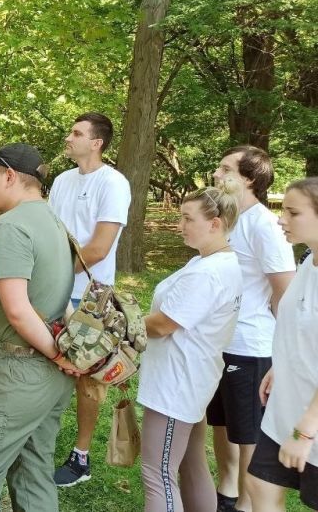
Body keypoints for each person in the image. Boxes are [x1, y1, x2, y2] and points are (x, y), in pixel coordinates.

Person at [0, 143, 81, 512]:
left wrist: (58, 355)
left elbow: (19, 311)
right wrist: (60, 357)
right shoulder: (55, 222)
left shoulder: (11, 227)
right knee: (34, 472)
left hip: (10, 378)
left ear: (9, 176)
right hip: (48, 378)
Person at [137, 181, 243, 512]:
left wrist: (123, 321)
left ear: (215, 224)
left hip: (176, 385)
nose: (178, 225)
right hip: (190, 378)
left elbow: (164, 324)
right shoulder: (211, 261)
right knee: (191, 463)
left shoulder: (209, 272)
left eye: (187, 219)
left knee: (157, 474)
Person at [208, 146, 296, 512]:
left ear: (249, 179)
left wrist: (281, 352)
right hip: (217, 342)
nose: (215, 173)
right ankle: (226, 494)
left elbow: (285, 292)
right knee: (222, 424)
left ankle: (246, 504)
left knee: (248, 435)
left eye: (225, 168)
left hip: (250, 345)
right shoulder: (225, 217)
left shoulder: (264, 225)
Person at [48, 112, 132, 487]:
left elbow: (98, 248)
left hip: (90, 297)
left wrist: (52, 273)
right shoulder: (62, 181)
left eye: (76, 133)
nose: (69, 138)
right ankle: (39, 442)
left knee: (87, 378)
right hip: (53, 288)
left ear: (96, 143)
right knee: (47, 365)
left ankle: (81, 458)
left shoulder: (113, 183)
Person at [246, 177, 318, 511]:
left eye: (293, 212)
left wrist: (305, 432)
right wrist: (280, 365)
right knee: (260, 484)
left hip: (311, 421)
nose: (281, 219)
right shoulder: (308, 261)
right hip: (286, 406)